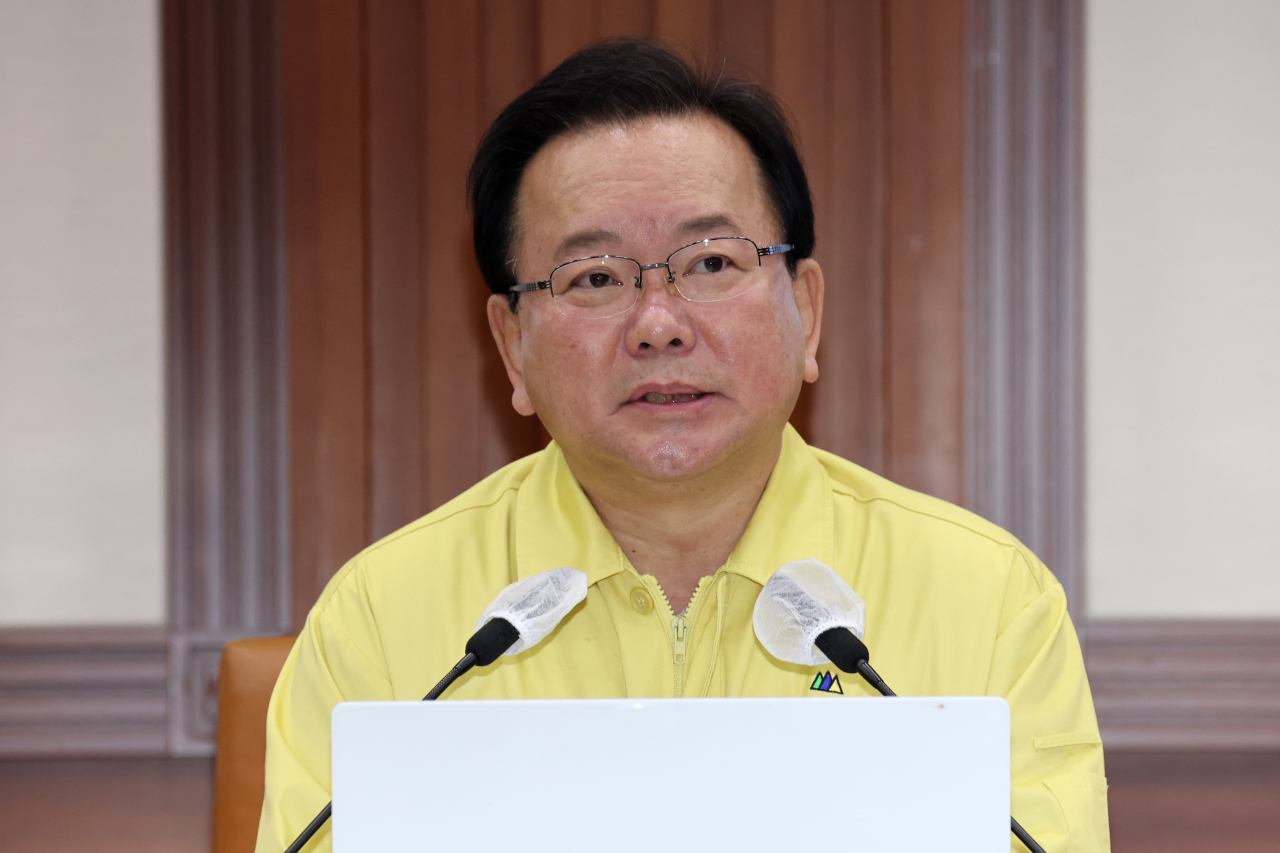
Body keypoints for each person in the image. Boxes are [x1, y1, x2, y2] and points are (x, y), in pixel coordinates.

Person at [255, 39, 1109, 852]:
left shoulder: (990, 606)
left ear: (804, 314)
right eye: (594, 278)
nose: (658, 324)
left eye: (709, 263)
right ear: (512, 347)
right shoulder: (386, 622)